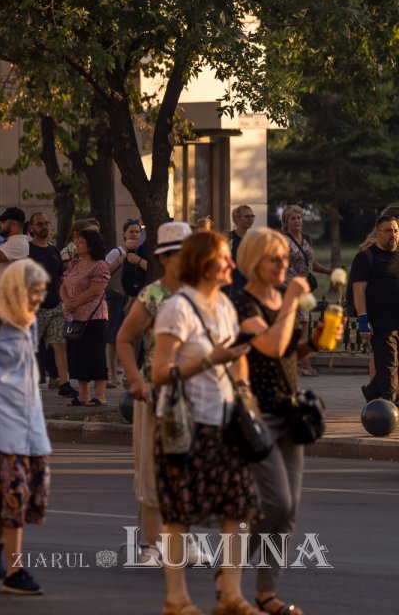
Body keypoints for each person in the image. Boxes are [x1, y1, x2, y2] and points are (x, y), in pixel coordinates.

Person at [150, 230, 258, 615]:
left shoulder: (226, 306)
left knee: (238, 506)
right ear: (204, 264)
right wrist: (207, 361)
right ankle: (176, 599)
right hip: (185, 424)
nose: (231, 264)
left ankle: (231, 594)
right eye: (225, 257)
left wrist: (243, 386)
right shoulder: (177, 308)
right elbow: (160, 372)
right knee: (179, 512)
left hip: (225, 421)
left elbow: (235, 354)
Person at [233, 228, 317, 615]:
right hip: (259, 413)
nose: (284, 265)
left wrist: (314, 344)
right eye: (275, 259)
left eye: (285, 258)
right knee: (275, 502)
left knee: (290, 509)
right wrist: (292, 301)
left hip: (289, 409)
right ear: (254, 261)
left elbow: (287, 354)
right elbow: (269, 345)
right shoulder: (243, 303)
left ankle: (266, 592)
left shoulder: (279, 299)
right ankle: (228, 570)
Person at [0, 259, 52, 595]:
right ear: (16, 289)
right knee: (14, 491)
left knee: (35, 489)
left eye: (41, 294)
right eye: (34, 293)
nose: (38, 300)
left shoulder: (27, 321)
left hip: (30, 419)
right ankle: (15, 570)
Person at [114, 221, 191, 566]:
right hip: (154, 395)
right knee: (150, 471)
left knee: (187, 472)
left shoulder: (202, 295)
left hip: (192, 397)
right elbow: (125, 339)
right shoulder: (153, 294)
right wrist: (135, 380)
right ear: (164, 259)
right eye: (178, 255)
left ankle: (183, 543)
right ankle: (152, 545)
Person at [59, 228, 111, 406]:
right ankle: (83, 395)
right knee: (77, 354)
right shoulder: (74, 264)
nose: (76, 244)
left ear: (90, 245)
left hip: (94, 316)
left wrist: (72, 303)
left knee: (95, 354)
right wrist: (67, 302)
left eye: (81, 242)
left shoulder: (100, 265)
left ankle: (100, 395)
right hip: (75, 317)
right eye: (76, 241)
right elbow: (63, 286)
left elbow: (95, 290)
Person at [354, 214, 399, 403]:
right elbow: (359, 291)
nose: (393, 235)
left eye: (396, 230)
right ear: (378, 233)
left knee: (395, 364)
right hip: (381, 323)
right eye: (388, 231)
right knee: (388, 364)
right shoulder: (366, 257)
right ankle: (390, 404)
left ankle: (373, 393)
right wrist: (363, 321)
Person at [280, 205, 329, 377]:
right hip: (289, 287)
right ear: (286, 222)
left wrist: (328, 271)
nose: (297, 221)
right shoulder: (283, 241)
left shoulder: (306, 238)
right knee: (294, 328)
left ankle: (300, 363)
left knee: (304, 326)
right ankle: (302, 365)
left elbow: (311, 263)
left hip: (305, 289)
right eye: (293, 218)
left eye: (299, 218)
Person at [25, 213, 71, 397]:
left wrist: (65, 300)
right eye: (39, 224)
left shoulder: (53, 250)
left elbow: (60, 277)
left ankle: (64, 383)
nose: (44, 226)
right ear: (31, 228)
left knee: (59, 344)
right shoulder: (27, 250)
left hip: (55, 306)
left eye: (46, 223)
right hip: (35, 308)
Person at [105, 218, 148, 385]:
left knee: (133, 336)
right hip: (117, 297)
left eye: (137, 231)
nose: (135, 234)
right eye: (131, 231)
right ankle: (112, 373)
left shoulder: (142, 251)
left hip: (134, 298)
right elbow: (105, 270)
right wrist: (121, 259)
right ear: (124, 233)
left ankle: (127, 371)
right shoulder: (117, 252)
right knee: (113, 336)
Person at [224, 205, 255, 295]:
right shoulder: (228, 237)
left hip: (248, 285)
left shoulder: (253, 239)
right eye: (247, 216)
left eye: (252, 216)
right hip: (230, 285)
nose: (250, 219)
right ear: (237, 218)